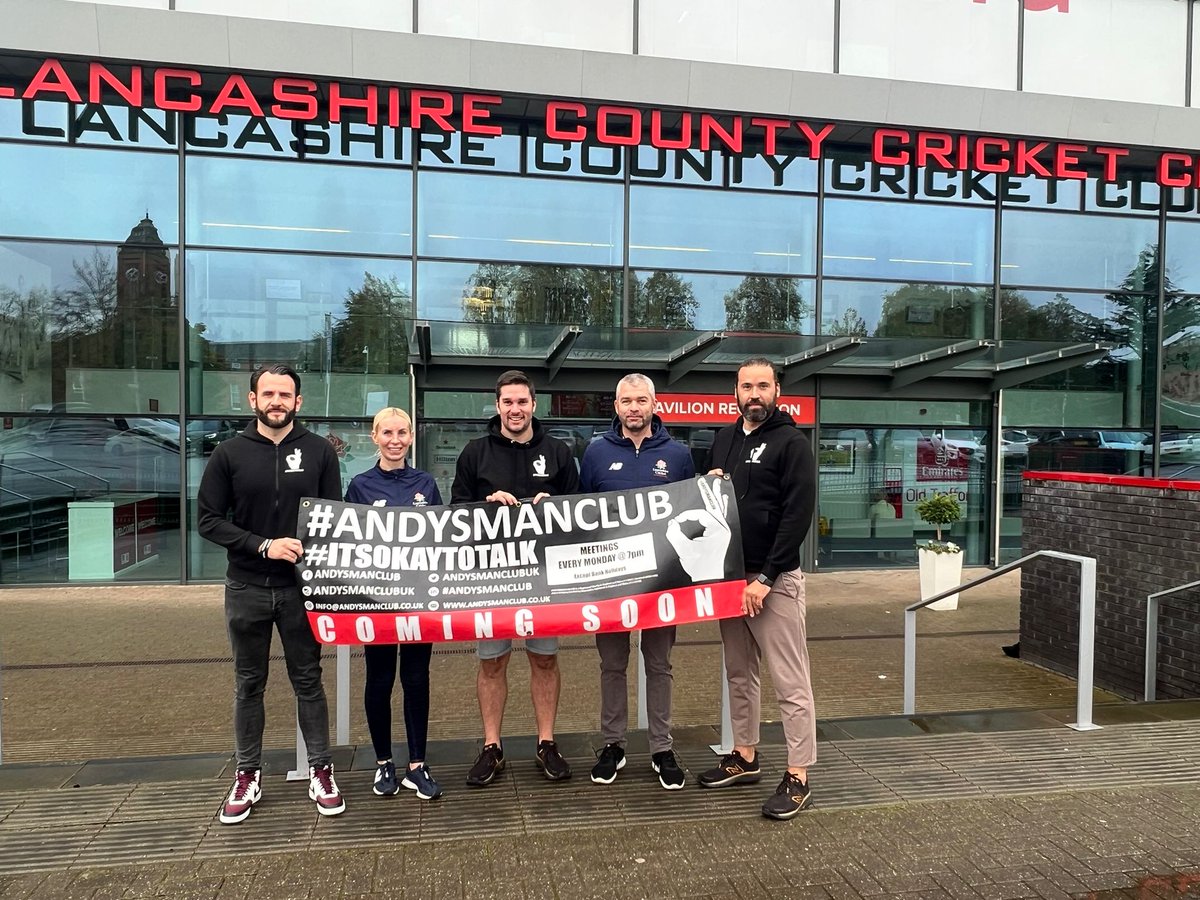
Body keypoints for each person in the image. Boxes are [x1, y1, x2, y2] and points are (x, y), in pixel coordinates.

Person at [197, 363, 345, 825]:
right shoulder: (229, 453)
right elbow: (207, 519)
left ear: (298, 402)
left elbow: (334, 519)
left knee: (308, 681)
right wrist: (262, 545)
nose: (277, 401)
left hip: (301, 592)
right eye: (269, 394)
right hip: (245, 587)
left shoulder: (320, 452)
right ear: (253, 400)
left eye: (286, 395)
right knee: (248, 684)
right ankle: (247, 774)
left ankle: (321, 770)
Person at [701, 356, 817, 821]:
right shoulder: (723, 441)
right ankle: (744, 756)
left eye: (762, 386)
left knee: (791, 682)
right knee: (738, 674)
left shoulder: (792, 443)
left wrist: (767, 578)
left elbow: (797, 516)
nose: (754, 394)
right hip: (731, 580)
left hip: (773, 582)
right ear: (735, 390)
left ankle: (798, 775)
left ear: (777, 391)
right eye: (746, 386)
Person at [451, 369, 580, 786]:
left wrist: (555, 504)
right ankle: (492, 746)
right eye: (507, 402)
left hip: (545, 580)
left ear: (534, 404)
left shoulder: (558, 451)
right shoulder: (475, 452)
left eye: (522, 401)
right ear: (498, 405)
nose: (515, 409)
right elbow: (455, 513)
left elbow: (581, 513)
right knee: (493, 663)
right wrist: (486, 505)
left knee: (544, 659)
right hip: (492, 578)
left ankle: (546, 742)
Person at [578, 373, 695, 790]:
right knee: (612, 664)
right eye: (626, 400)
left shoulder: (678, 455)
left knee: (659, 665)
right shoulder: (594, 454)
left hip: (662, 581)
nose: (633, 407)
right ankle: (613, 745)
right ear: (615, 406)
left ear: (653, 404)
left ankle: (662, 748)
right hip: (609, 581)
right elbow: (579, 519)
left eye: (641, 400)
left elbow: (691, 513)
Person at [345, 407, 443, 801]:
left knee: (417, 680)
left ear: (412, 436)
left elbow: (441, 540)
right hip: (378, 600)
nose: (395, 439)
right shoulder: (359, 486)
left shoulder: (426, 483)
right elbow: (345, 544)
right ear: (374, 437)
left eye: (402, 432)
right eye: (387, 432)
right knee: (380, 680)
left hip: (419, 600)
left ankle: (417, 765)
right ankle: (384, 761)